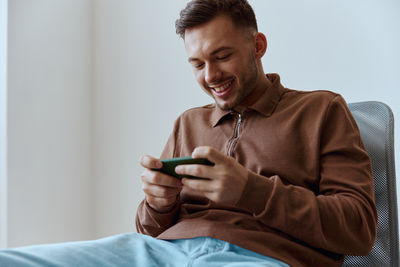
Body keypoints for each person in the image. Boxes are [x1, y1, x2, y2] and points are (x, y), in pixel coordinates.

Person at [0, 0, 377, 266]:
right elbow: (148, 231)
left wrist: (250, 191)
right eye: (197, 63)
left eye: (222, 56)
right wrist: (158, 204)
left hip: (260, 257)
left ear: (258, 46)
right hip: (159, 254)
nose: (210, 76)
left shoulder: (321, 110)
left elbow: (359, 230)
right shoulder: (188, 123)